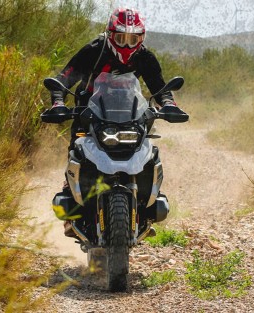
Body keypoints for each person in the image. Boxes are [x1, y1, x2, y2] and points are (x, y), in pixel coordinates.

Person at [43, 8, 187, 238]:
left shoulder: (145, 57)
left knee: (147, 151)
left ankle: (145, 205)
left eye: (134, 39)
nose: (127, 45)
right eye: (121, 38)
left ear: (141, 38)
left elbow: (159, 87)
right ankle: (71, 199)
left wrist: (169, 104)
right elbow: (64, 79)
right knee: (76, 148)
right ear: (111, 35)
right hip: (89, 111)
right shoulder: (94, 50)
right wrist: (58, 102)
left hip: (130, 113)